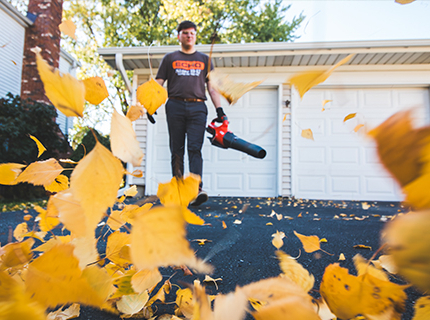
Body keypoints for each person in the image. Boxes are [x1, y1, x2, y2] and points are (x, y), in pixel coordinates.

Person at [153, 20, 226, 206]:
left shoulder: (204, 60)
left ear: (195, 36)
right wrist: (149, 105)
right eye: (185, 33)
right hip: (175, 106)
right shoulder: (170, 59)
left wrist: (220, 110)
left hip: (198, 108)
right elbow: (158, 85)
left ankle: (196, 189)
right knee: (176, 150)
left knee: (195, 148)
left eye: (192, 33)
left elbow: (212, 87)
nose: (189, 36)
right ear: (179, 36)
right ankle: (179, 189)